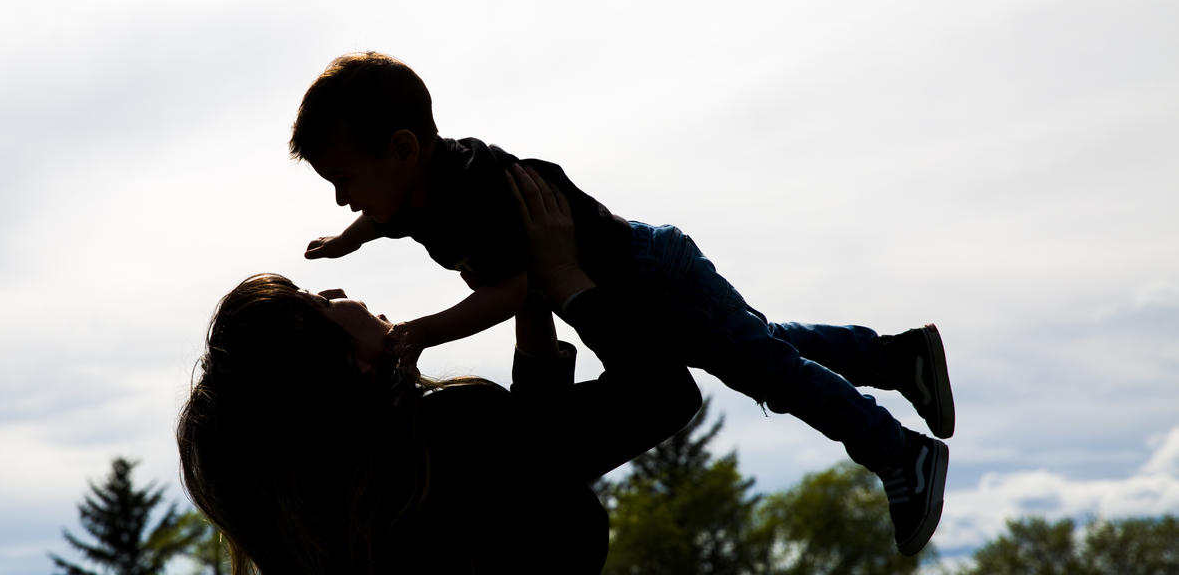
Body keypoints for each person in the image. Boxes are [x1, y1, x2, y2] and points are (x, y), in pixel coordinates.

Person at [292, 51, 952, 555]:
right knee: (754, 349)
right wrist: (347, 240)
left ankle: (899, 453)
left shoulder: (471, 196)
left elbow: (516, 290)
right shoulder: (411, 198)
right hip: (628, 294)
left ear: (403, 149)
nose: (344, 199)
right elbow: (388, 223)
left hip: (646, 274)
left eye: (344, 180)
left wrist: (423, 331)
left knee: (764, 368)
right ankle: (898, 359)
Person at [178, 168, 702, 573]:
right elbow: (662, 395)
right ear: (350, 364)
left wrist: (530, 300)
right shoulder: (457, 437)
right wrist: (566, 279)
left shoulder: (375, 514)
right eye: (317, 302)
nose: (336, 291)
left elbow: (537, 448)